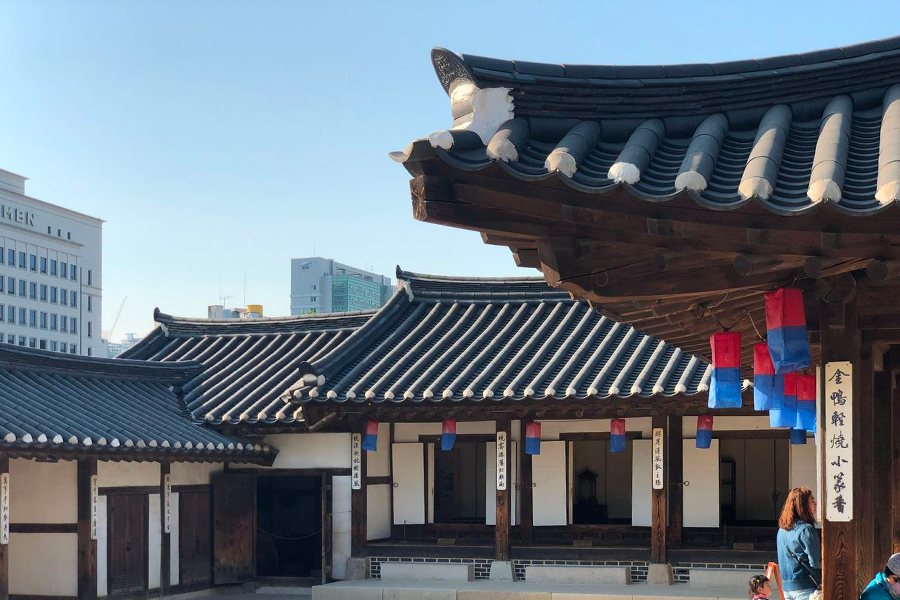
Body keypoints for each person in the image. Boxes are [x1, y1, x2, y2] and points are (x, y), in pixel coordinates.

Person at [776, 487, 821, 600]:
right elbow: (816, 561)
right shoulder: (806, 529)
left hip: (787, 587)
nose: (815, 504)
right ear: (802, 505)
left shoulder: (782, 530)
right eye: (812, 500)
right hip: (807, 587)